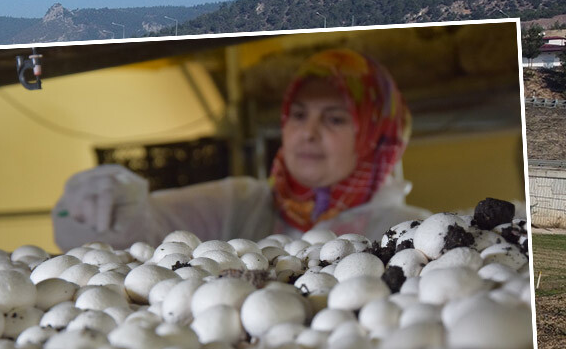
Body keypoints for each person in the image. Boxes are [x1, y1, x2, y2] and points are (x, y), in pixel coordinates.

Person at [52, 49, 429, 249]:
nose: (307, 133)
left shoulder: (411, 232)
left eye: (334, 119)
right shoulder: (240, 205)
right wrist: (109, 203)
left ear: (377, 137)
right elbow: (145, 231)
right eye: (298, 115)